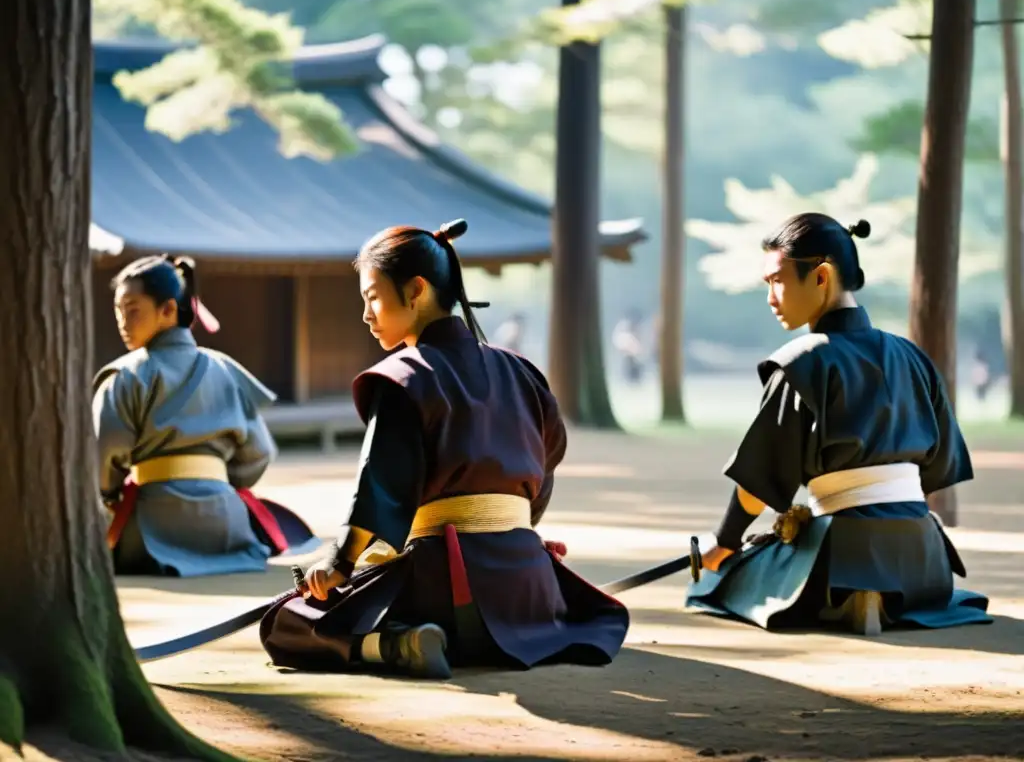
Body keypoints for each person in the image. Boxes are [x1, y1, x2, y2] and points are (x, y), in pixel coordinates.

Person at [259, 219, 630, 678]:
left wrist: (340, 564)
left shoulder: (403, 378)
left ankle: (395, 646)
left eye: (372, 296)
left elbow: (384, 482)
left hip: (444, 589)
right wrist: (515, 534)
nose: (366, 314)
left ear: (415, 290)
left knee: (288, 622)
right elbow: (545, 467)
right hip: (529, 588)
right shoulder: (523, 374)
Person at [686, 213, 992, 635]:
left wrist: (724, 543)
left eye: (777, 280)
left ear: (821, 276)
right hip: (925, 561)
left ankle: (848, 595)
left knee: (724, 582)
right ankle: (887, 595)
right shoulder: (912, 356)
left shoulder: (801, 363)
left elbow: (760, 482)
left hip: (841, 550)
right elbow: (938, 468)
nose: (771, 297)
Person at [93, 255, 317, 577]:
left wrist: (109, 494)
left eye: (132, 309)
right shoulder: (225, 370)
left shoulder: (125, 376)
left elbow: (104, 458)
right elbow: (259, 453)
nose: (122, 322)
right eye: (118, 311)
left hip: (151, 529)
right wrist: (214, 483)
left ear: (168, 310)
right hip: (225, 527)